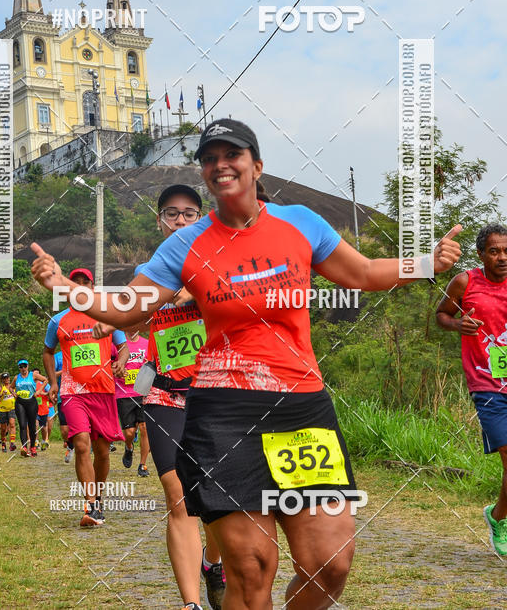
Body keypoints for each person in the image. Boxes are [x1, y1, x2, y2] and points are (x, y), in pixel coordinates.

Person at [31, 119, 462, 609]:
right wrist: (68, 289)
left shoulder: (300, 222)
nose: (220, 164)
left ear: (256, 166)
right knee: (253, 570)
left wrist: (425, 263)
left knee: (330, 561)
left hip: (301, 405)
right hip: (223, 412)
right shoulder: (185, 243)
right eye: (210, 158)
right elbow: (130, 306)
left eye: (231, 154)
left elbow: (362, 273)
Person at [140, 184, 225, 610]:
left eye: (189, 214)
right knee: (180, 498)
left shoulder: (217, 264)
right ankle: (190, 604)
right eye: (171, 214)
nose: (179, 221)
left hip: (215, 394)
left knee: (215, 499)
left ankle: (214, 562)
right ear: (160, 221)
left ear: (201, 218)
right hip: (163, 395)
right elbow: (132, 316)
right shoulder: (147, 273)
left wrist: (199, 289)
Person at [436, 223, 507, 557]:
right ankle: (500, 521)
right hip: (487, 384)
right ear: (481, 254)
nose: (502, 257)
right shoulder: (465, 282)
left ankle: (497, 516)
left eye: (506, 250)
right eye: (494, 251)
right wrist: (457, 324)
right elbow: (440, 315)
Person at [43, 267, 128, 527]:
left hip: (102, 391)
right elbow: (48, 352)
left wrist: (121, 362)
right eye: (74, 283)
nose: (80, 287)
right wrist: (53, 382)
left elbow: (122, 346)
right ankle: (91, 505)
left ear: (92, 288)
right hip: (72, 392)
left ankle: (99, 499)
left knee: (102, 450)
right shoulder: (58, 320)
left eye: (85, 283)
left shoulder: (106, 315)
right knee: (81, 444)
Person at [111, 331, 151, 476]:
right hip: (123, 393)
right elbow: (107, 364)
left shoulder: (147, 343)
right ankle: (129, 447)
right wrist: (116, 369)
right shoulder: (117, 344)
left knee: (145, 428)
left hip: (143, 391)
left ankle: (143, 465)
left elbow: (155, 364)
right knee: (129, 432)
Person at [12, 360, 44, 457]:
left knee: (32, 426)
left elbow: (45, 380)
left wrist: (39, 391)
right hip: (20, 402)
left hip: (31, 402)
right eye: (21, 367)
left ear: (28, 366)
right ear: (19, 368)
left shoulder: (33, 375)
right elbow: (10, 387)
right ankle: (24, 447)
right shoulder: (16, 377)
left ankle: (33, 447)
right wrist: (14, 394)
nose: (23, 369)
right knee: (22, 425)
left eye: (24, 366)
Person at [54, 349, 75, 463]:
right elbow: (52, 374)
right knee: (64, 430)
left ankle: (79, 447)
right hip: (63, 395)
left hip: (78, 394)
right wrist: (65, 371)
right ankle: (70, 445)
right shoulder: (57, 356)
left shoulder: (78, 350)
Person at [0, 371, 17, 452]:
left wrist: (15, 394)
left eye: (7, 378)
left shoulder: (13, 386)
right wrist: (1, 395)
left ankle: (12, 443)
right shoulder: (0, 387)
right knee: (3, 429)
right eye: (4, 378)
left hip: (12, 408)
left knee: (12, 424)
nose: (6, 379)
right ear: (2, 380)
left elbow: (17, 395)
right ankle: (3, 444)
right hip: (2, 409)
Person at [34, 370, 51, 449]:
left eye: (37, 373)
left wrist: (42, 393)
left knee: (43, 427)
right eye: (34, 373)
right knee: (35, 424)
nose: (36, 375)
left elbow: (50, 393)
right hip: (34, 408)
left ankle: (44, 441)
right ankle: (36, 441)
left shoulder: (44, 384)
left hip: (43, 408)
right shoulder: (31, 384)